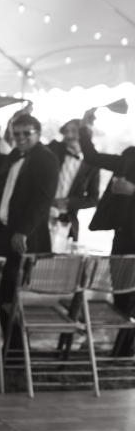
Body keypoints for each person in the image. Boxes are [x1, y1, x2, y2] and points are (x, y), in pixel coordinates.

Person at [0, 113, 59, 303]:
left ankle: (13, 333)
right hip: (4, 230)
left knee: (14, 292)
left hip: (24, 235)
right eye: (16, 134)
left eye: (27, 133)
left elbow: (44, 199)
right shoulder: (15, 154)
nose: (21, 137)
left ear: (39, 133)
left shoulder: (46, 158)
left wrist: (23, 231)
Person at [79, 109, 135, 356]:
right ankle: (122, 349)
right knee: (121, 294)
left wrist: (133, 191)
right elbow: (91, 157)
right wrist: (85, 129)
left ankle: (126, 348)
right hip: (123, 236)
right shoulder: (129, 155)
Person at [46, 119, 100, 243]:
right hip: (43, 214)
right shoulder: (54, 149)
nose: (69, 135)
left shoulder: (92, 164)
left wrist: (67, 202)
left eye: (74, 131)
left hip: (67, 221)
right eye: (66, 131)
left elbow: (93, 199)